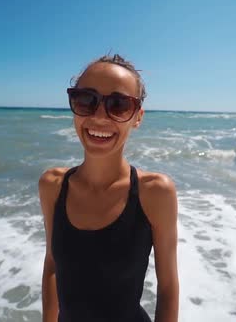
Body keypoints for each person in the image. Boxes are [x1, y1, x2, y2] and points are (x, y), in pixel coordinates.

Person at [39, 54, 179, 322]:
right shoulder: (52, 186)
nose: (100, 116)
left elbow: (168, 288)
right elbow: (52, 264)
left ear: (137, 117)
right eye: (86, 100)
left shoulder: (155, 192)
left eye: (118, 104)